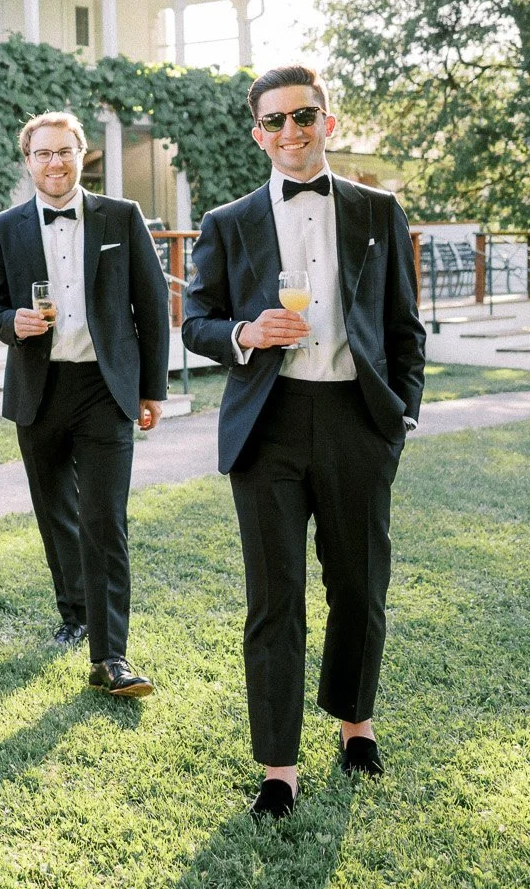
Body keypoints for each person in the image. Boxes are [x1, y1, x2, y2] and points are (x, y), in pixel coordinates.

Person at [182, 64, 425, 819]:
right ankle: (278, 768)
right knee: (275, 597)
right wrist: (247, 332)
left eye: (304, 116)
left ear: (328, 120)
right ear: (259, 133)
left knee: (359, 584)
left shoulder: (379, 211)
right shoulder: (227, 222)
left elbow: (405, 327)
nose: (292, 131)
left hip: (357, 421)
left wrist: (400, 418)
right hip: (268, 423)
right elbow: (195, 322)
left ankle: (357, 724)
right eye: (276, 120)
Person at [0, 111, 169, 697]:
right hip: (39, 390)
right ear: (28, 161)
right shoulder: (5, 228)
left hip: (103, 389)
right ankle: (74, 612)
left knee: (104, 519)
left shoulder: (121, 217)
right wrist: (15, 322)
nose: (54, 163)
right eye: (42, 154)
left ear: (82, 155)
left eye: (64, 152)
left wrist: (151, 389)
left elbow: (152, 304)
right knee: (56, 511)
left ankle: (111, 656)